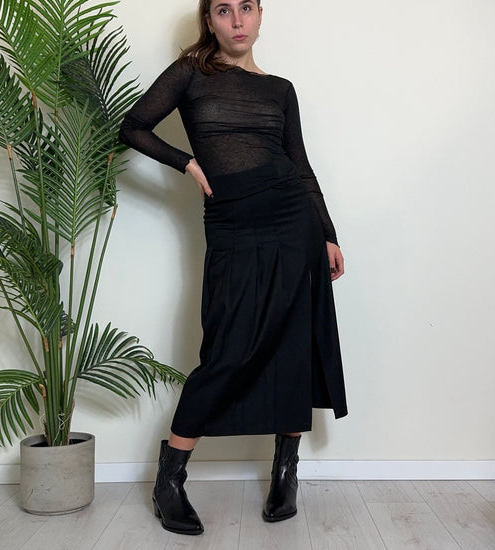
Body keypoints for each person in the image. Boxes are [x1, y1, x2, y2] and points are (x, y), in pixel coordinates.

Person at [119, 0, 348, 536]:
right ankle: (169, 479)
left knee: (291, 340)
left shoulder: (280, 89)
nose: (237, 21)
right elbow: (133, 127)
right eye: (224, 10)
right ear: (209, 21)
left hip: (292, 220)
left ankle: (285, 472)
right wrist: (187, 162)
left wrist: (329, 233)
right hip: (233, 221)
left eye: (246, 8)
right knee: (228, 346)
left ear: (261, 15)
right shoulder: (189, 73)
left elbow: (301, 165)